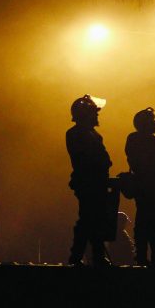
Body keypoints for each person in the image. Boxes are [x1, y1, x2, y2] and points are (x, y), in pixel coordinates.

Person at [66, 94, 112, 268]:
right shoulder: (77, 134)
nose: (97, 116)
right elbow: (89, 159)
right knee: (88, 219)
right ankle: (78, 256)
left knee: (94, 219)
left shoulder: (89, 134)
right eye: (94, 112)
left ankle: (92, 256)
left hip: (94, 182)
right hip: (88, 183)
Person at [125, 107, 155, 268]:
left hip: (144, 186)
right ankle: (151, 257)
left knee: (145, 220)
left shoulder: (133, 139)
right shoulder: (154, 143)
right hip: (151, 187)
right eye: (153, 121)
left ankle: (143, 256)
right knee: (152, 222)